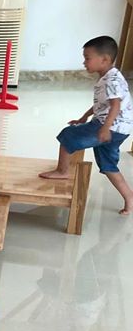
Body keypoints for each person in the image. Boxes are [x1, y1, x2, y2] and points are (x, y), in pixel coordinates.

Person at [39, 35, 133, 215]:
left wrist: (105, 128)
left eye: (87, 58)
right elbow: (102, 105)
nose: (84, 62)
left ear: (104, 59)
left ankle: (62, 171)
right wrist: (83, 118)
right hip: (119, 129)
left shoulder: (111, 81)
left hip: (110, 127)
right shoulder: (110, 76)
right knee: (108, 165)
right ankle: (129, 197)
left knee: (68, 135)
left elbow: (115, 106)